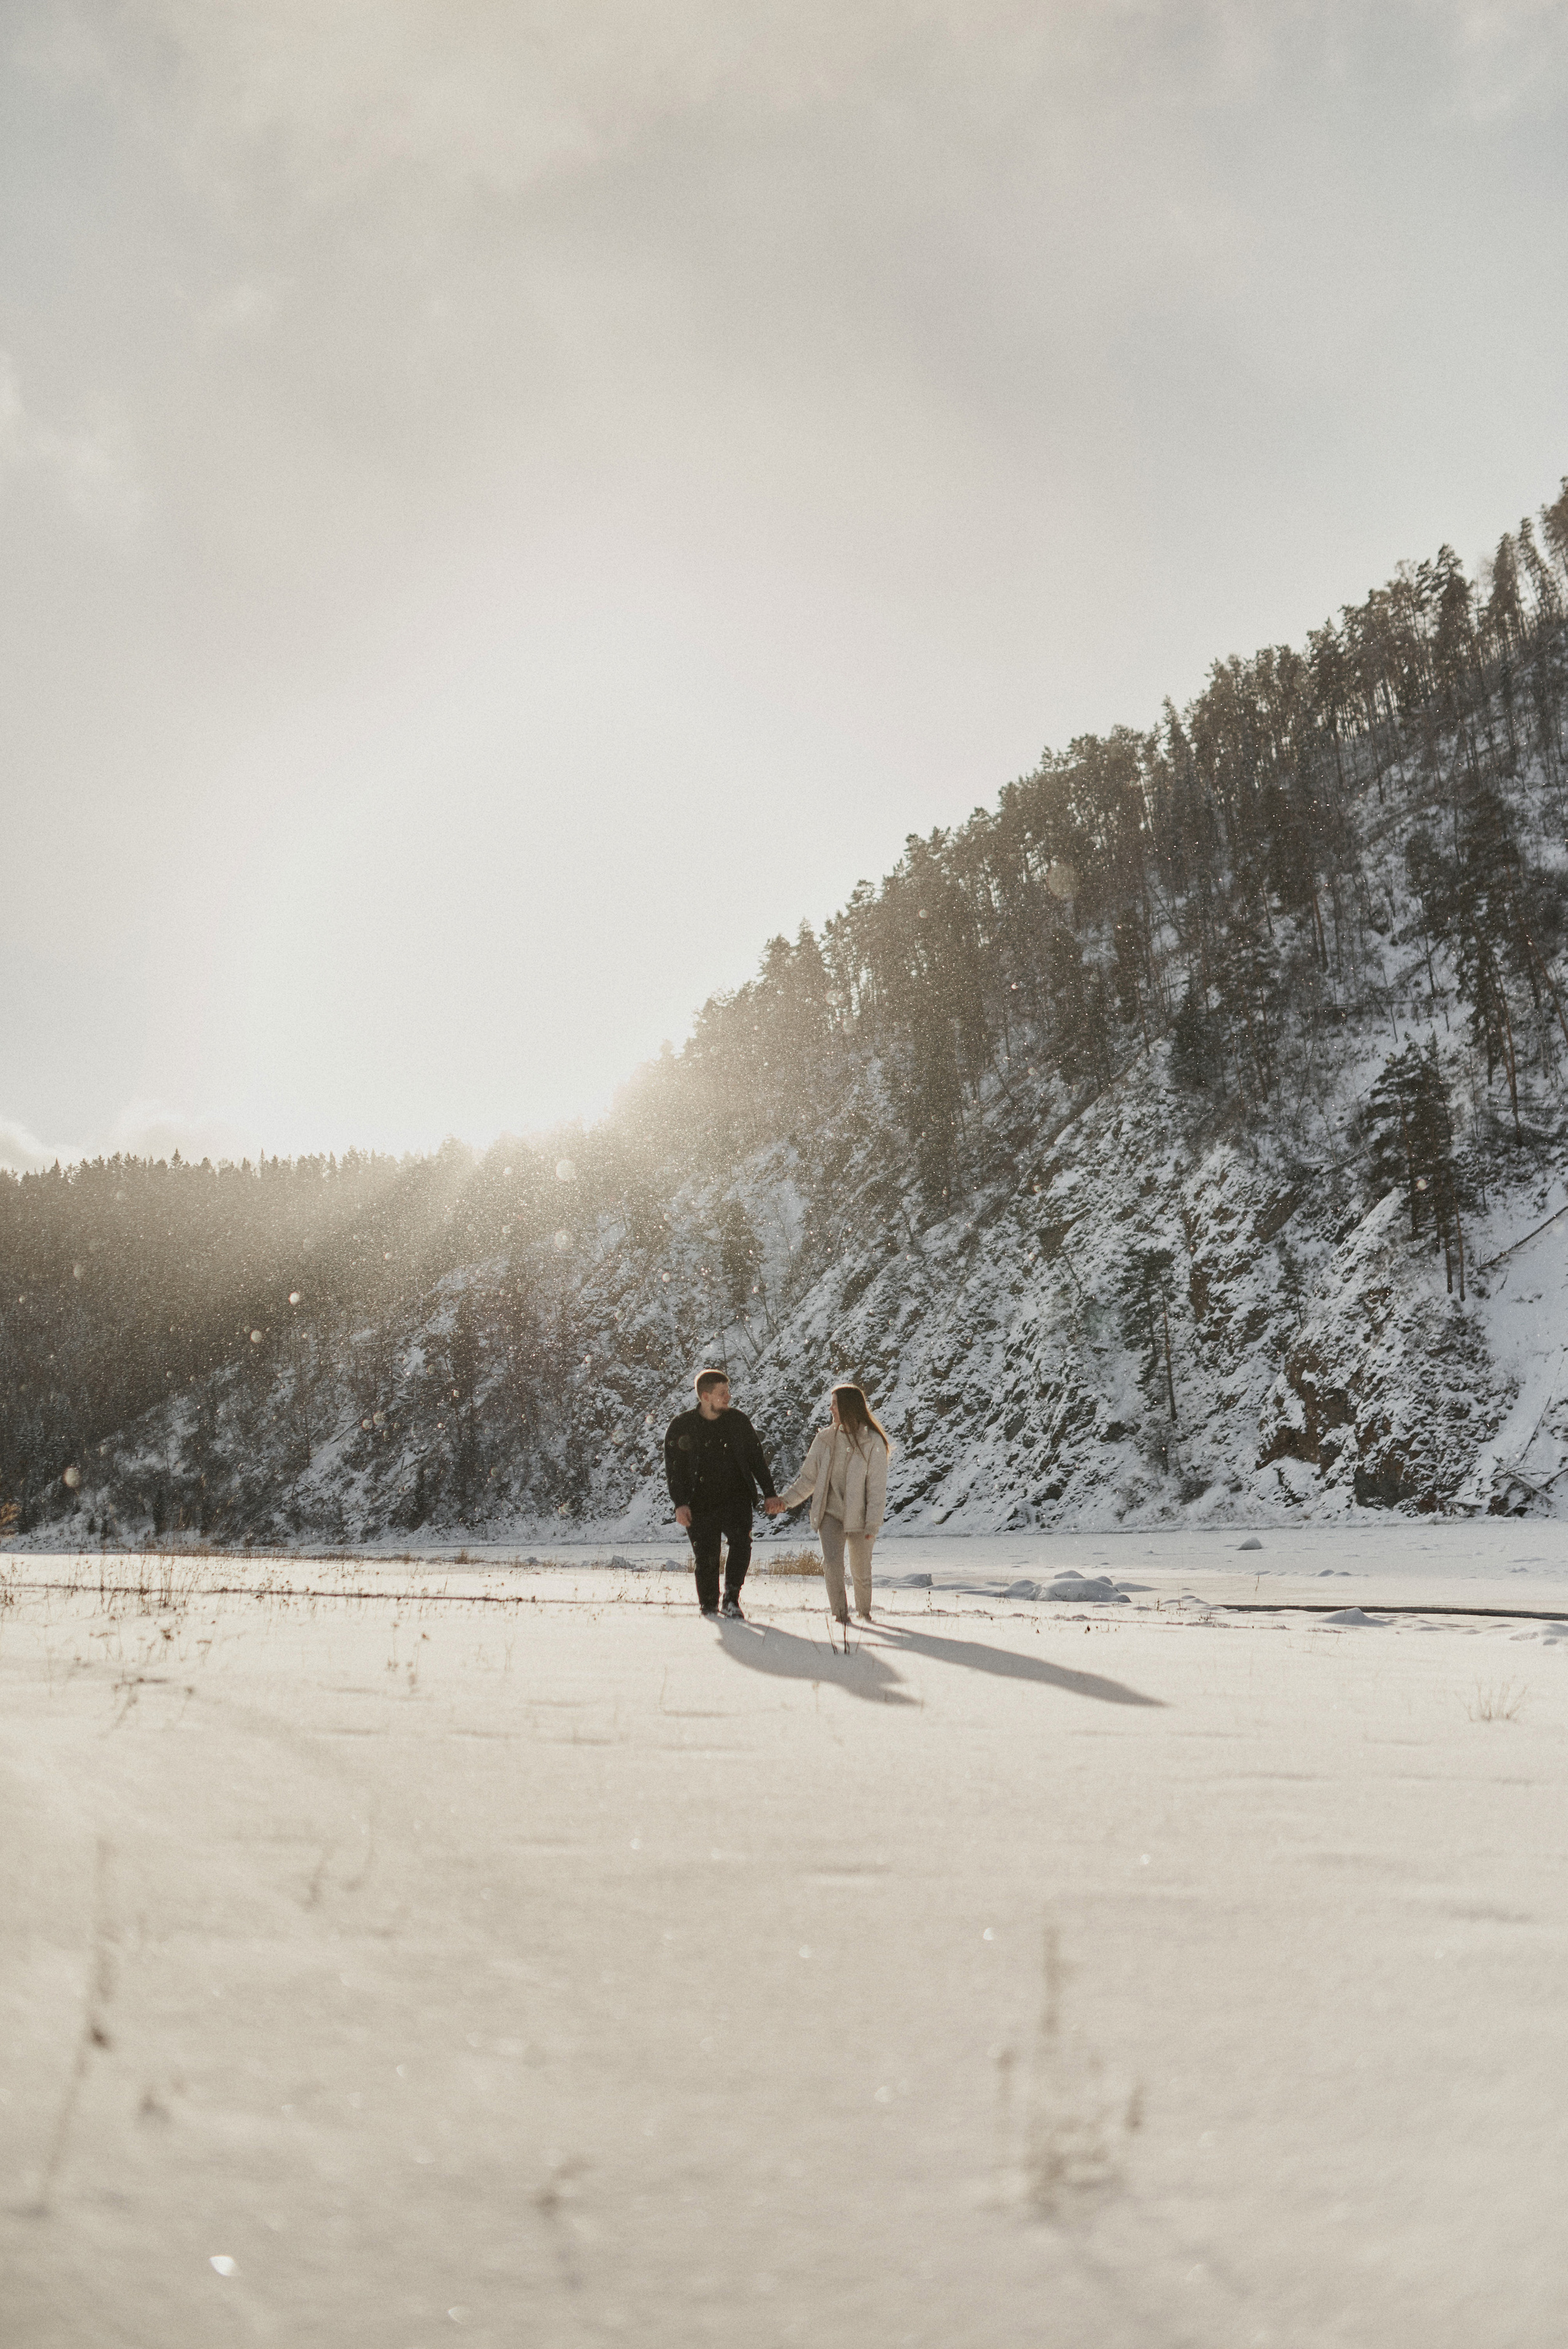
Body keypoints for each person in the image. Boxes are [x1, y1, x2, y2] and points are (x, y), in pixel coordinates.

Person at [766, 1383, 890, 1624]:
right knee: (832, 1563)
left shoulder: (873, 1442)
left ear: (848, 1407)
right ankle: (841, 1617)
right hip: (829, 1514)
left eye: (834, 1403)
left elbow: (877, 1489)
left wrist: (872, 1525)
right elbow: (808, 1480)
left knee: (861, 1570)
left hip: (861, 1516)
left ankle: (865, 1614)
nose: (830, 1408)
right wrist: (785, 1502)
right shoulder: (824, 1438)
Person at [664, 1370, 779, 1619]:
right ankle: (708, 1606)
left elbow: (757, 1460)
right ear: (705, 1396)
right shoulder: (682, 1426)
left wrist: (769, 1493)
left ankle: (731, 1598)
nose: (729, 1397)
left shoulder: (738, 1421)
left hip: (736, 1498)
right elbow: (674, 1470)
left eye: (728, 1391)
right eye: (722, 1393)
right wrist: (680, 1504)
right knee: (706, 1556)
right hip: (699, 1502)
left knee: (741, 1545)